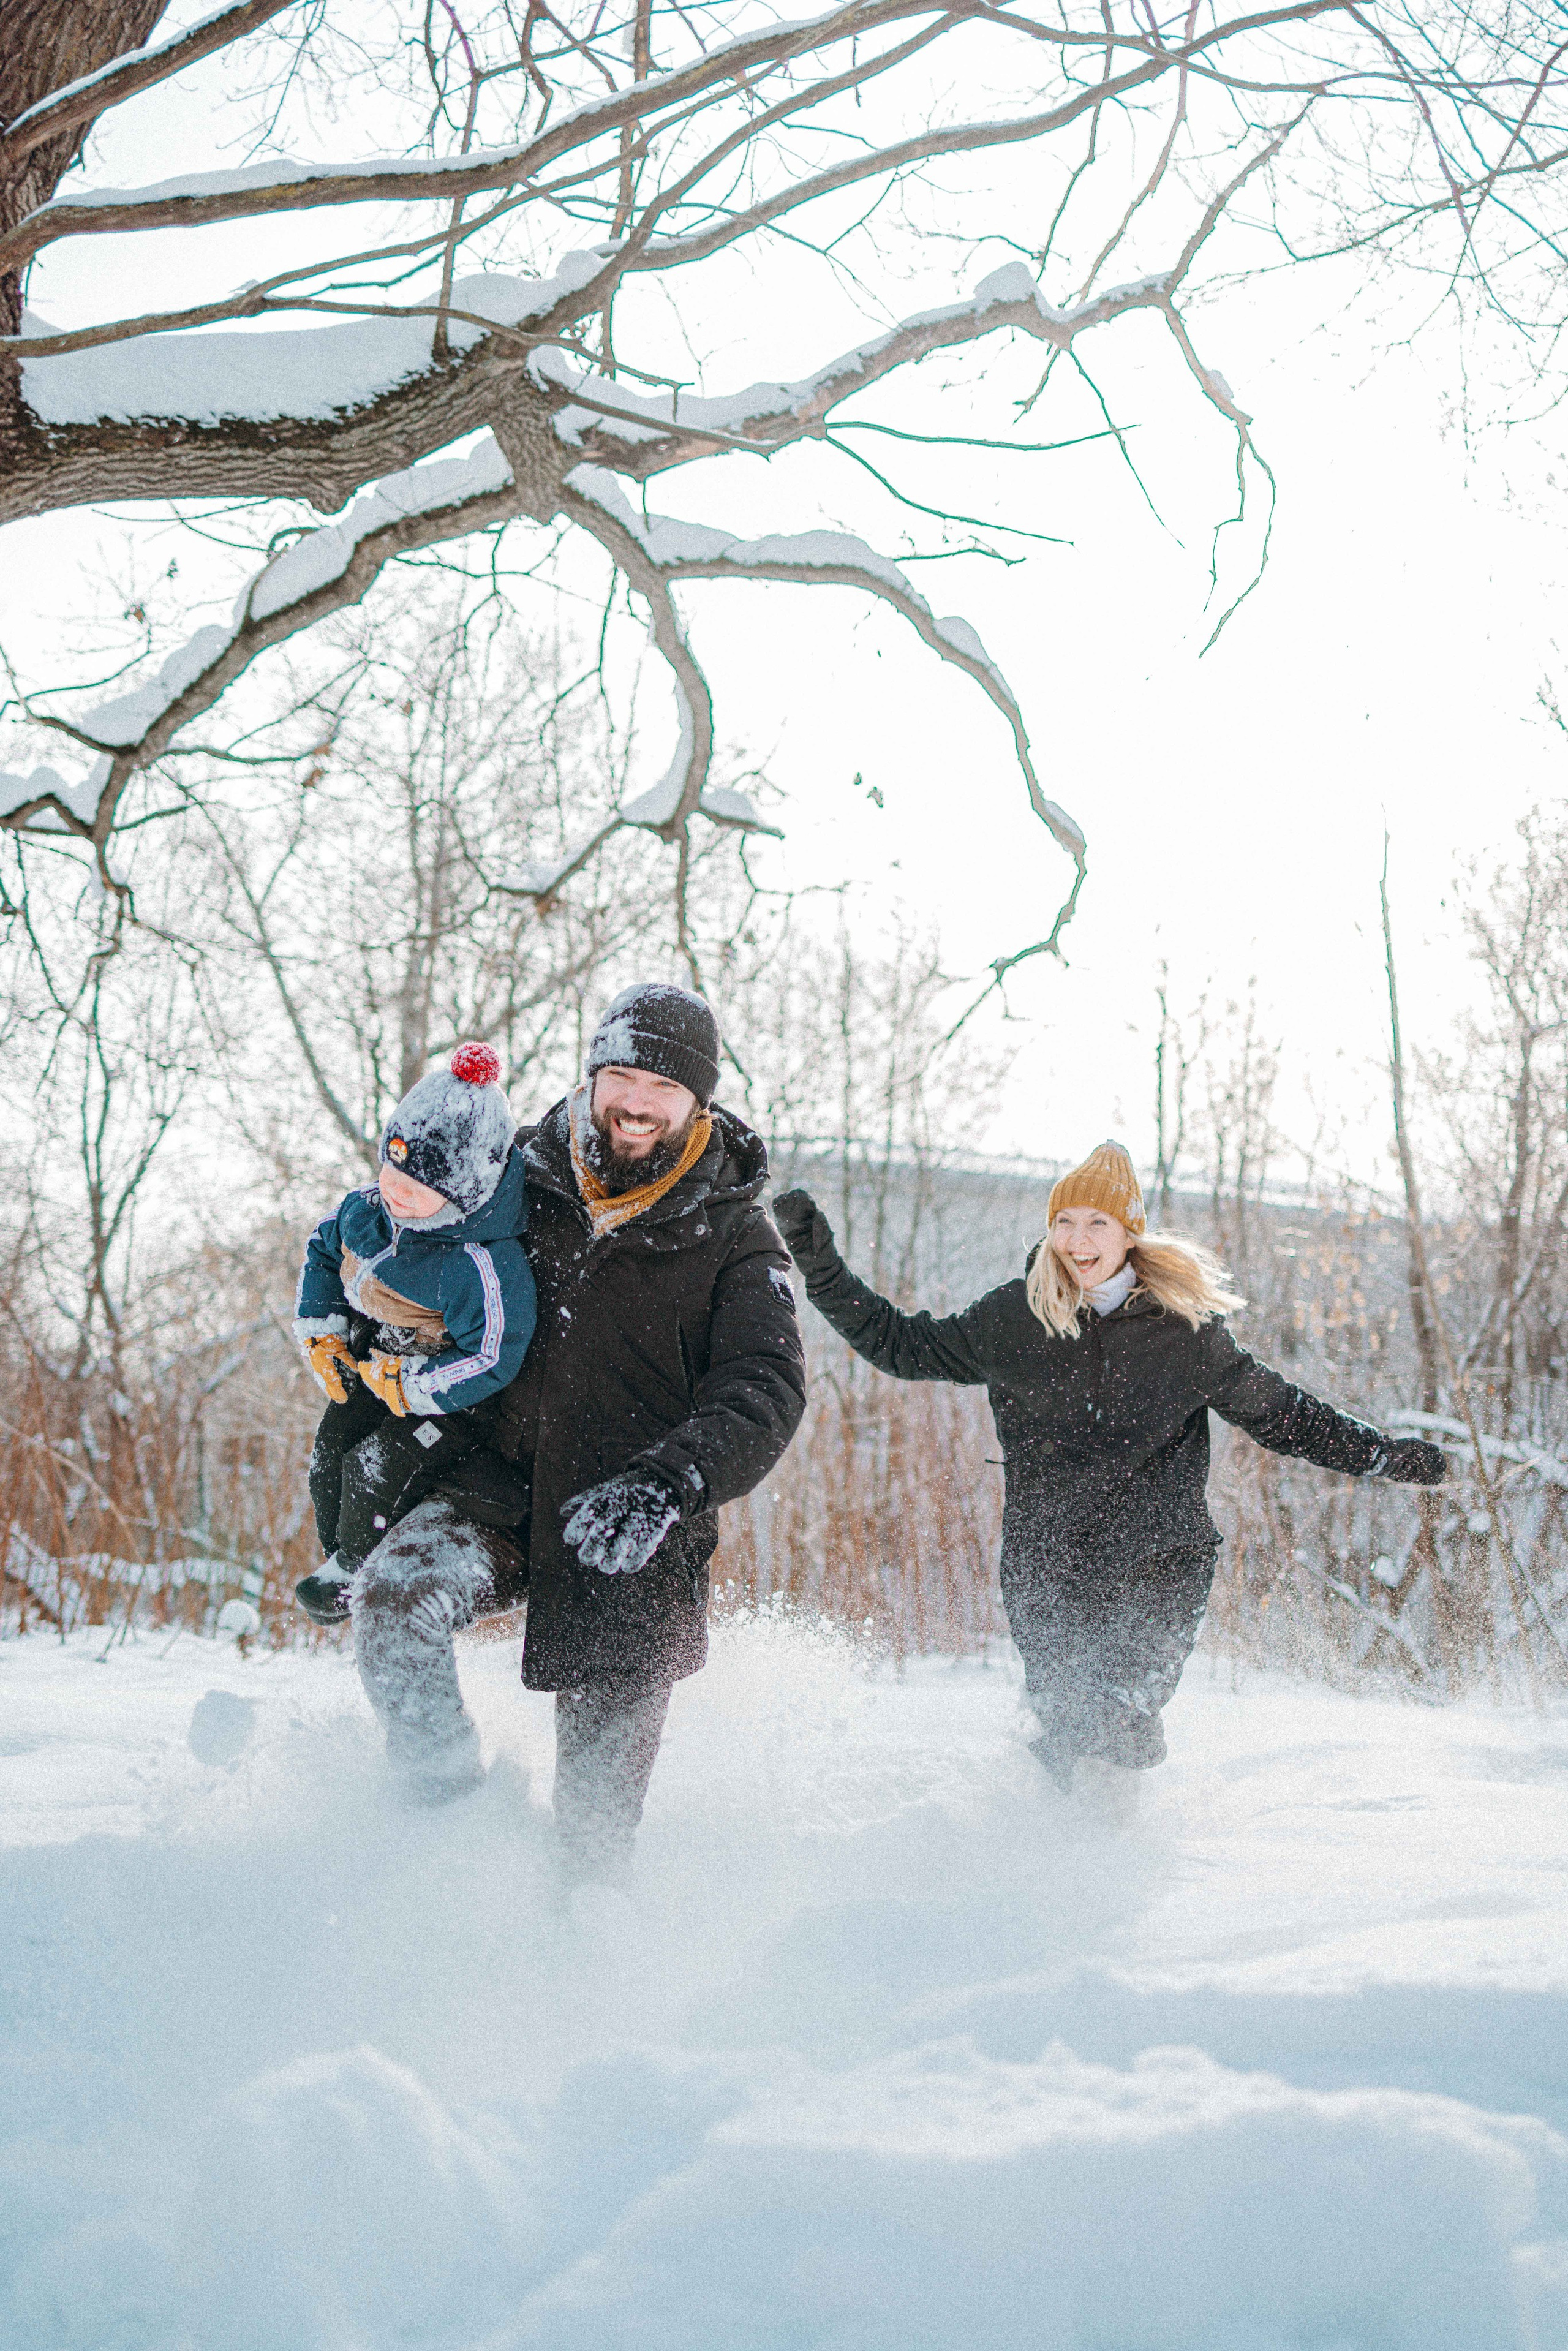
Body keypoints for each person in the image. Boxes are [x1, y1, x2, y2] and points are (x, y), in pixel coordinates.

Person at [773, 1141, 1447, 1790]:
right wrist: (819, 1261)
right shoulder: (1016, 1319)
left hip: (1158, 1558)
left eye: (1097, 1222)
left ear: (1129, 1234)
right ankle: (1054, 1847)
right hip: (1048, 1562)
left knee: (1118, 1718)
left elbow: (1282, 1413)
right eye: (1064, 1222)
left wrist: (1380, 1455)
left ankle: (1127, 1829)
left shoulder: (1186, 1331)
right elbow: (899, 1344)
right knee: (1067, 1727)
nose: (1077, 1239)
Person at [347, 983, 807, 1870]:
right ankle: (445, 1834)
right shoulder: (513, 1173)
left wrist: (670, 1482)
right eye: (623, 1077)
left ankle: (585, 1925)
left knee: (593, 1831)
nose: (638, 1103)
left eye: (665, 1087)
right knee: (395, 1598)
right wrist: (377, 1325)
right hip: (496, 1486)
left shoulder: (737, 1235)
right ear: (592, 1075)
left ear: (698, 1102)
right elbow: (409, 1239)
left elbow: (765, 1387)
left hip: (631, 1523)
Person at [292, 1042, 537, 1639]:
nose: (398, 1191)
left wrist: (414, 1386)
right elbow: (324, 1247)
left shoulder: (480, 1264)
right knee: (332, 1451)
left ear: (465, 1190)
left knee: (376, 1467)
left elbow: (494, 1352)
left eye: (421, 1184)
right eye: (393, 1169)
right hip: (377, 1360)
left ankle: (359, 1568)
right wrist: (324, 1330)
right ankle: (339, 1555)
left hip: (449, 1397)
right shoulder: (369, 1212)